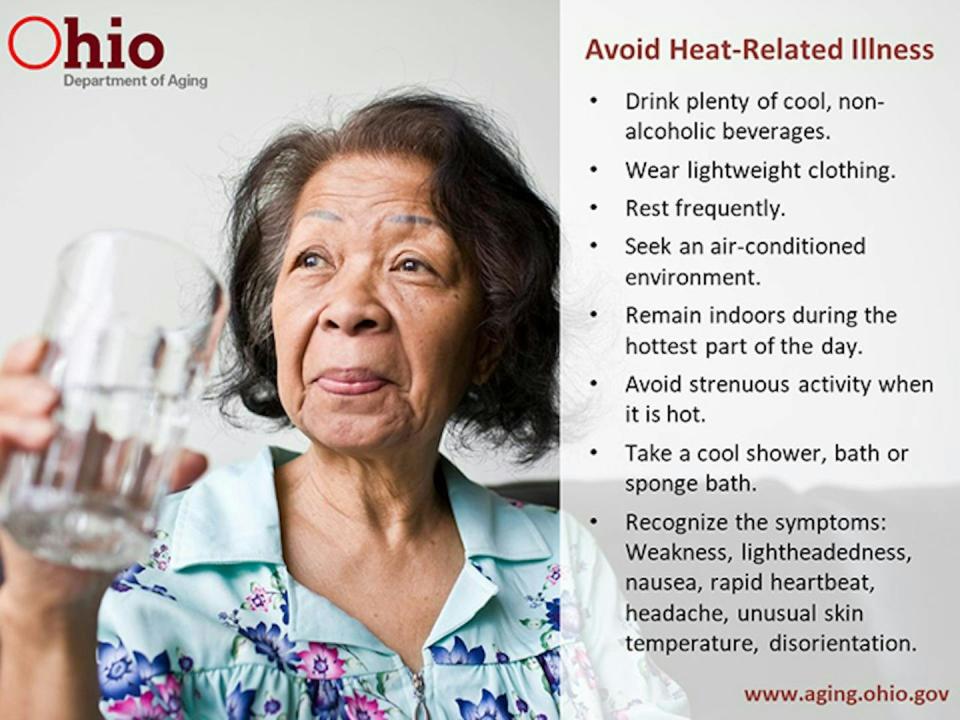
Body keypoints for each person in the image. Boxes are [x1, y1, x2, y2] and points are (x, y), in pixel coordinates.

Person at [0, 93, 688, 719]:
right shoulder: (122, 558)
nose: (350, 307)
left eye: (411, 263)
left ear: (487, 343)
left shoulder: (563, 561)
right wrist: (44, 615)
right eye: (312, 261)